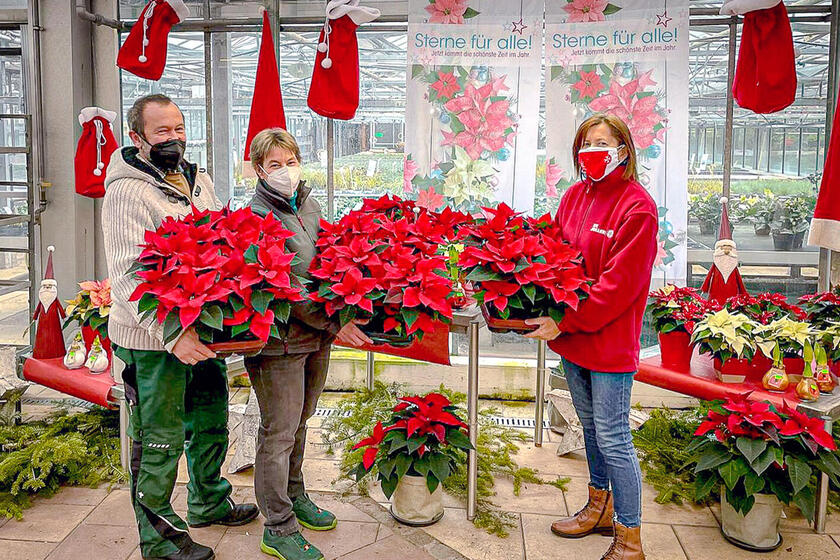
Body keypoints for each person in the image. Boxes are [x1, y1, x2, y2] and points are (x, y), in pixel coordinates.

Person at [102, 94, 258, 560]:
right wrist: (172, 334)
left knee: (211, 418)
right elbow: (130, 275)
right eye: (162, 132)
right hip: (153, 342)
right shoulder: (127, 193)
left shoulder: (196, 178)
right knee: (160, 438)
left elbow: (216, 245)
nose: (174, 139)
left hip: (199, 333)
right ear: (137, 138)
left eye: (179, 129)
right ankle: (159, 540)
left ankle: (208, 500)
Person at [525, 113, 658, 560]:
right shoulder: (575, 197)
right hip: (574, 340)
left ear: (623, 150)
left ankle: (631, 537)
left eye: (602, 143)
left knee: (615, 436)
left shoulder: (637, 207)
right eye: (585, 144)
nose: (591, 152)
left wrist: (566, 320)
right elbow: (553, 254)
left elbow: (619, 286)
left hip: (608, 343)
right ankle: (598, 507)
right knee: (592, 431)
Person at [244, 128, 371, 560]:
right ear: (259, 169)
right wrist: (333, 322)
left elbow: (326, 260)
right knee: (277, 431)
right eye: (274, 164)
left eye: (290, 160)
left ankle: (294, 497)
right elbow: (284, 285)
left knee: (300, 422)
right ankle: (277, 526)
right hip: (279, 340)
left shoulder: (308, 204)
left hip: (315, 335)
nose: (285, 171)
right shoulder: (257, 215)